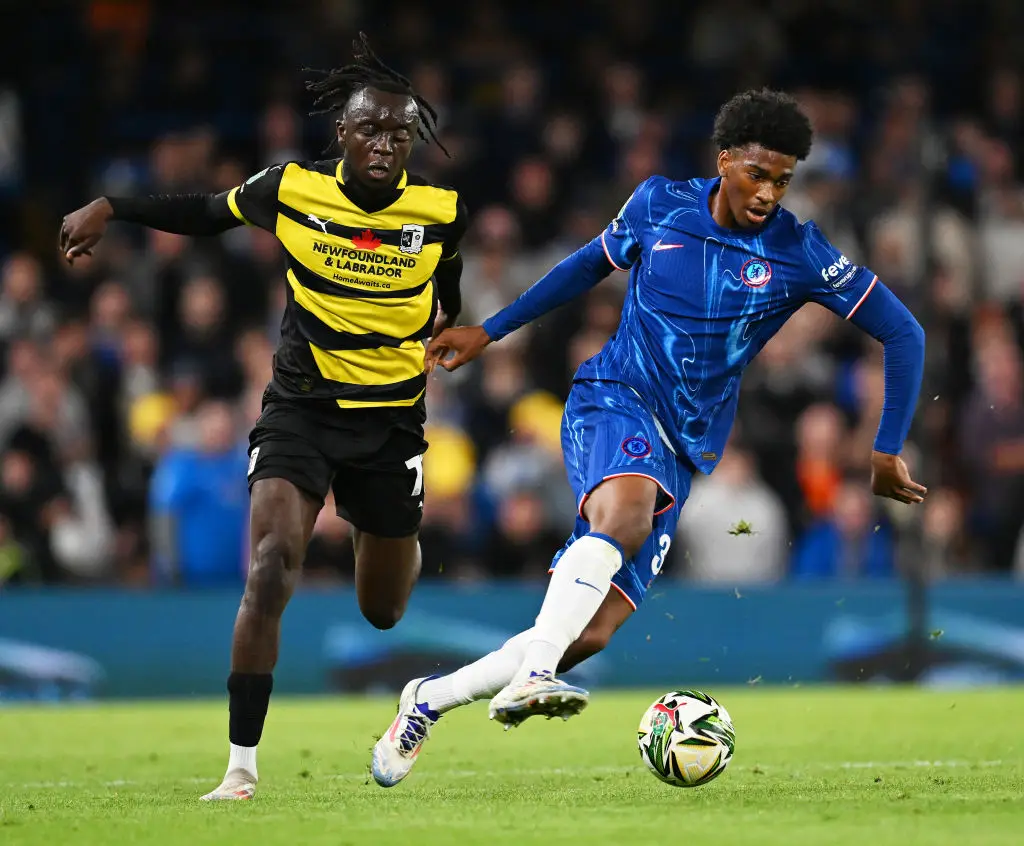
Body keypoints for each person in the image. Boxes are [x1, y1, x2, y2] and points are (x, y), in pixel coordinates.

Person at [370, 89, 927, 788]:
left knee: (589, 632)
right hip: (614, 398)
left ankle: (427, 699)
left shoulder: (798, 251)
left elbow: (904, 331)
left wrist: (885, 446)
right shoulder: (660, 204)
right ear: (724, 161)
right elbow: (584, 266)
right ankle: (533, 673)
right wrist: (491, 330)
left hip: (684, 449)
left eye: (783, 181)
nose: (767, 193)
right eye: (756, 174)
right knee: (625, 516)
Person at [59, 34, 468, 801]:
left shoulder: (442, 212)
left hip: (390, 423)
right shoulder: (291, 189)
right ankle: (240, 767)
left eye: (400, 132)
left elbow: (448, 294)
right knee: (272, 562)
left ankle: (387, 530)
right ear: (341, 133)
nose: (385, 143)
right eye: (371, 129)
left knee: (383, 610)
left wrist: (448, 329)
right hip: (301, 410)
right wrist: (112, 206)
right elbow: (206, 211)